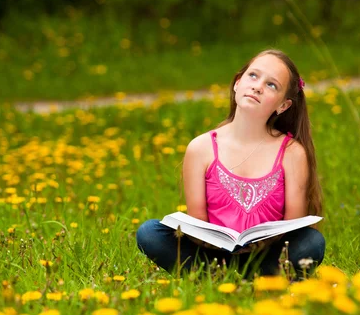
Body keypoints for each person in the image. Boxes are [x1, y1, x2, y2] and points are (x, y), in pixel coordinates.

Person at [136, 49, 325, 279]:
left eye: (271, 85)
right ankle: (221, 275)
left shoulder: (291, 152)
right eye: (253, 76)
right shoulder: (201, 148)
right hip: (212, 255)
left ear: (283, 106)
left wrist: (259, 245)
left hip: (267, 256)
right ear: (237, 83)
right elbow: (198, 225)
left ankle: (246, 277)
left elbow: (294, 228)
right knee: (149, 232)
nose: (258, 86)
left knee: (311, 242)